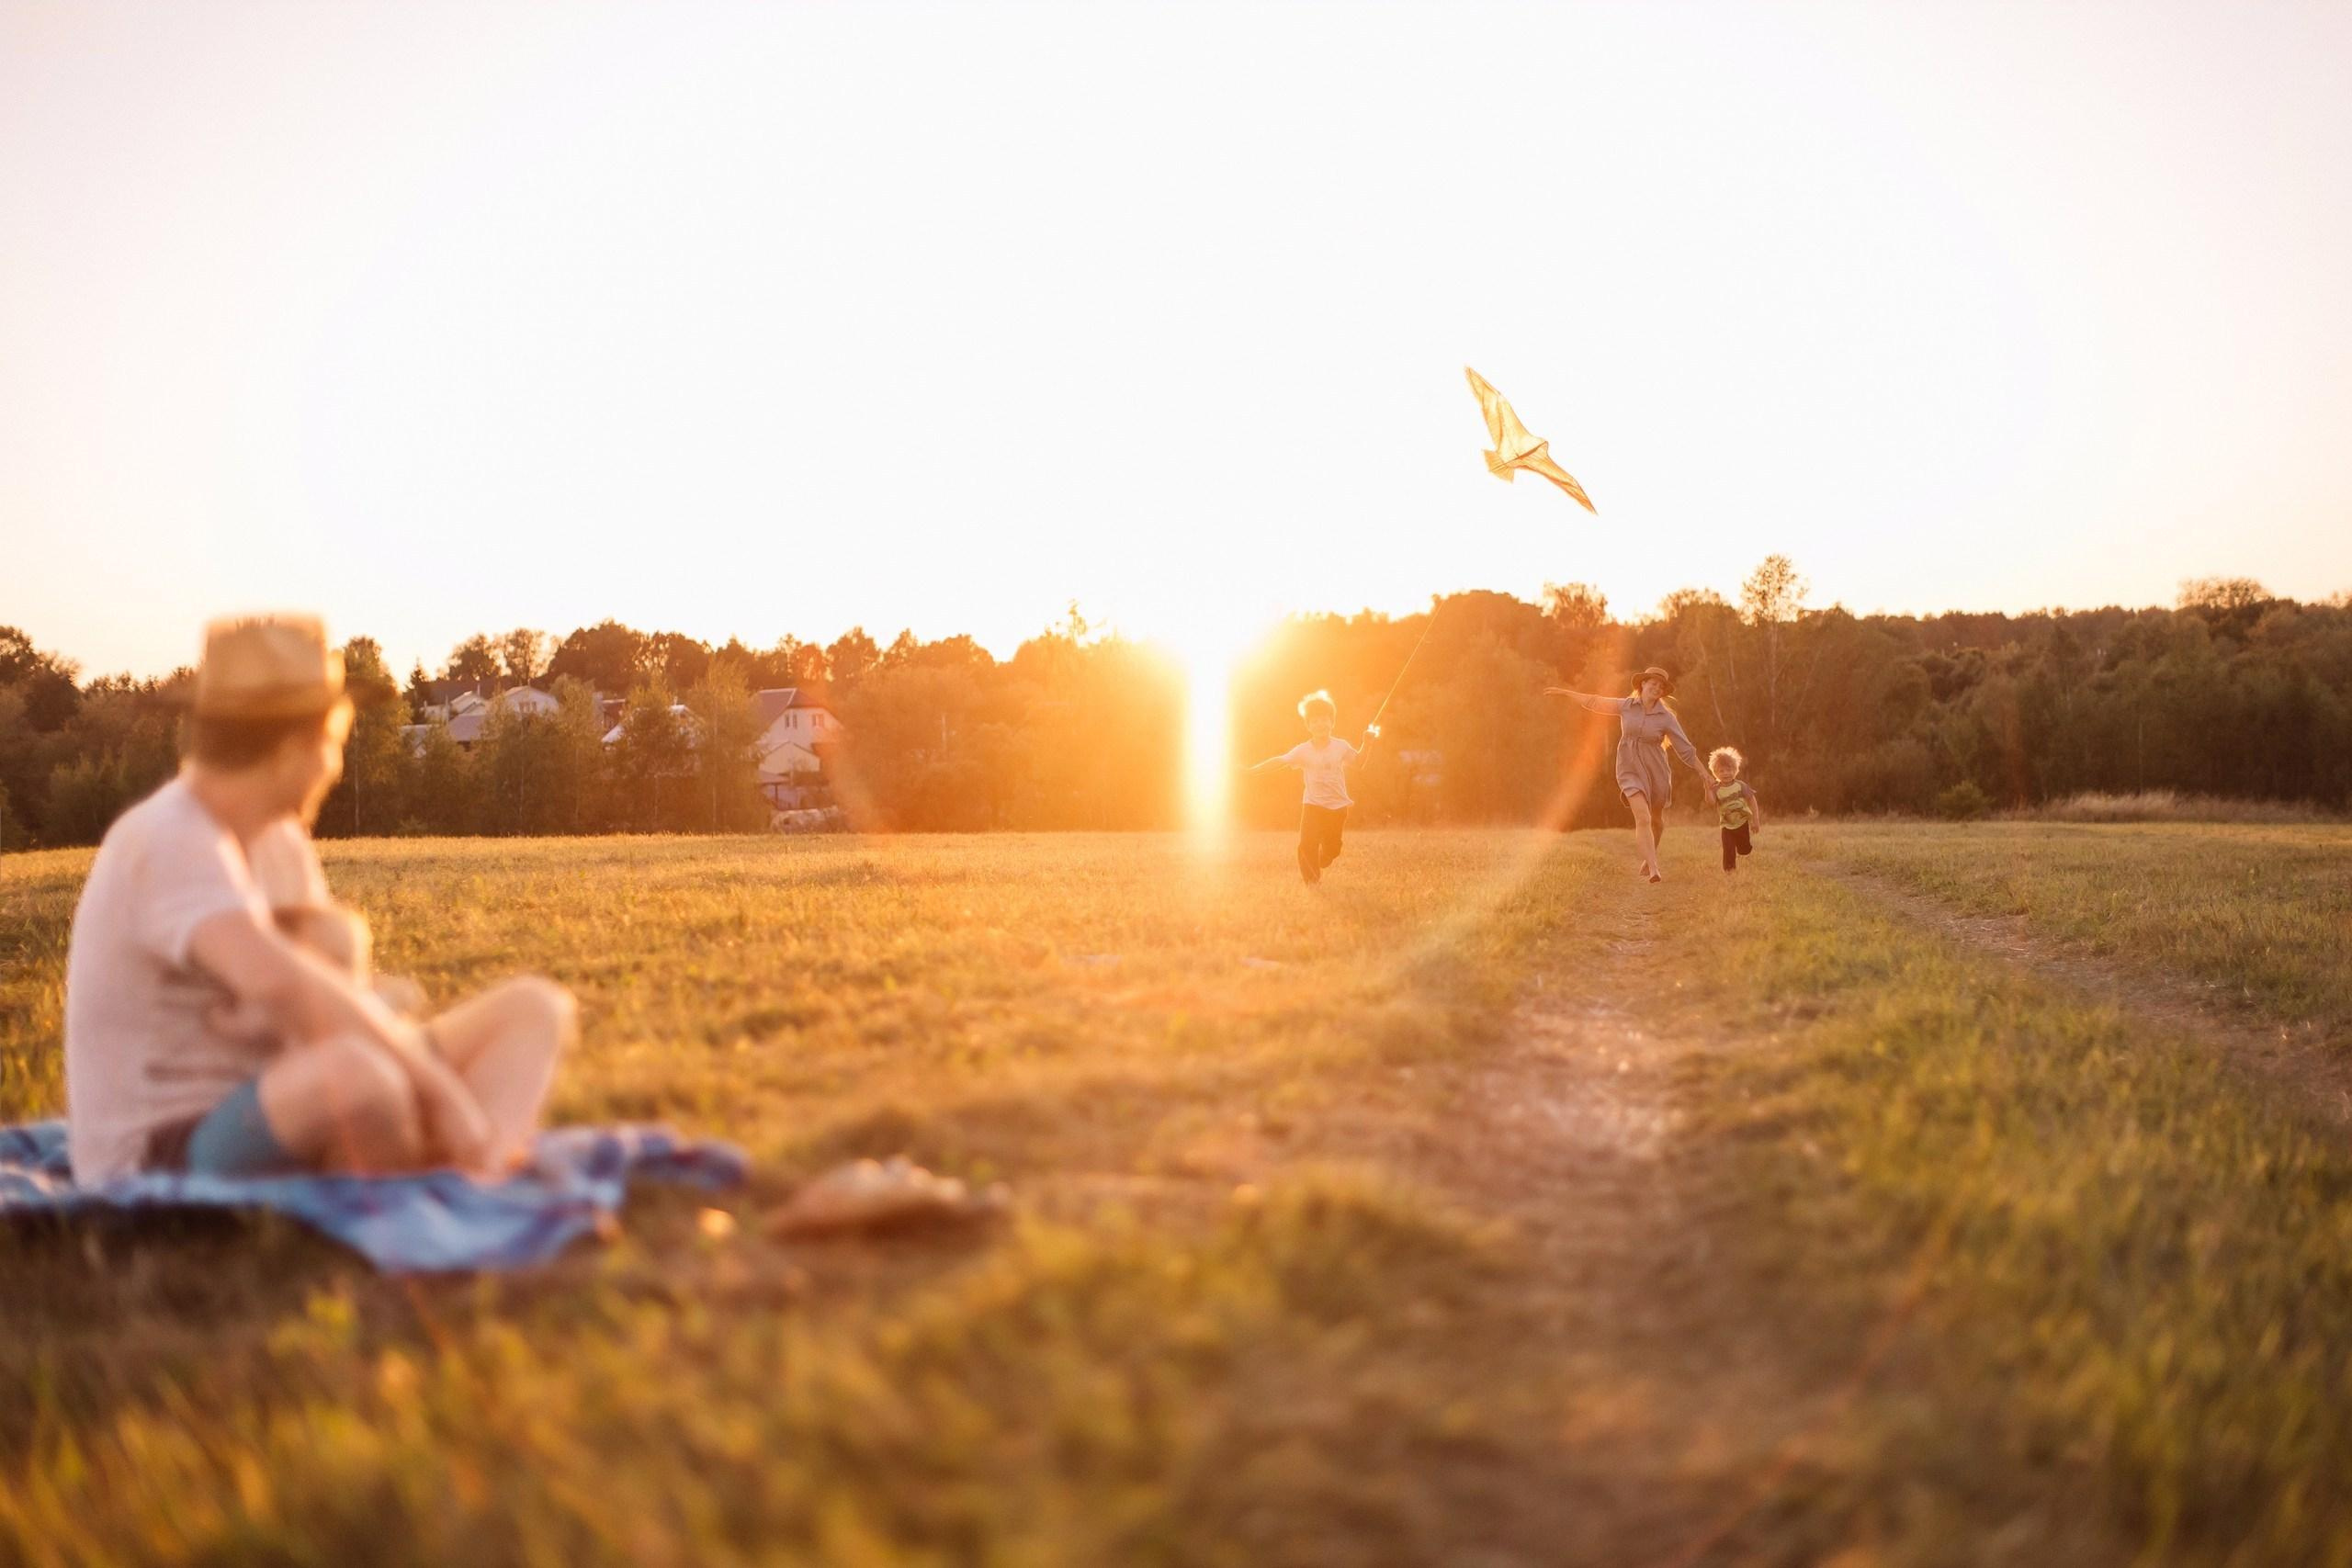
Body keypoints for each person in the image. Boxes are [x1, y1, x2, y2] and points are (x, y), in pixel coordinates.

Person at [62, 615, 576, 1184]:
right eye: (333, 745)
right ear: (293, 749)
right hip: (164, 1144)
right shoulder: (167, 837)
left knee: (534, 1010)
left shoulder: (277, 839)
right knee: (363, 1077)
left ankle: (478, 1178)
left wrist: (378, 1007)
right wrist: (443, 1095)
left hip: (288, 1088)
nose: (334, 767)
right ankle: (436, 1166)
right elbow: (281, 983)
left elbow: (325, 992)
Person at [1544, 665, 1707, 883]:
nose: (1657, 688)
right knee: (1643, 817)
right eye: (1653, 684)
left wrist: (1705, 775)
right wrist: (1566, 693)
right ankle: (1654, 868)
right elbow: (1595, 701)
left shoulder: (1667, 718)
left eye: (1661, 687)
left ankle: (1649, 856)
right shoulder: (1626, 706)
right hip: (1629, 769)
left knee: (1656, 821)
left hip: (1656, 771)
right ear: (1643, 684)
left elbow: (1685, 749)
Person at [1245, 690, 1377, 884]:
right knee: (1307, 844)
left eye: (1324, 719)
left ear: (1332, 722)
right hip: (1312, 805)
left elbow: (1359, 763)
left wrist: (1367, 744)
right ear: (1308, 726)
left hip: (1338, 807)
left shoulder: (1340, 746)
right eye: (1315, 721)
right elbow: (1280, 761)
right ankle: (1312, 883)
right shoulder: (1303, 750)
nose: (1320, 724)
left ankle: (1326, 855)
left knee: (1332, 849)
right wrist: (1253, 770)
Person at [1707, 746, 1762, 874]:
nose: (1725, 773)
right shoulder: (1716, 789)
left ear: (1735, 770)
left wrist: (1755, 820)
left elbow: (1752, 800)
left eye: (1729, 770)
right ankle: (1729, 872)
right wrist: (1707, 789)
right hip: (1726, 825)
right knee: (1728, 849)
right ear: (1715, 773)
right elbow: (1711, 802)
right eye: (1721, 771)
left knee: (1744, 850)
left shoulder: (1740, 785)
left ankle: (1742, 848)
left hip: (1742, 822)